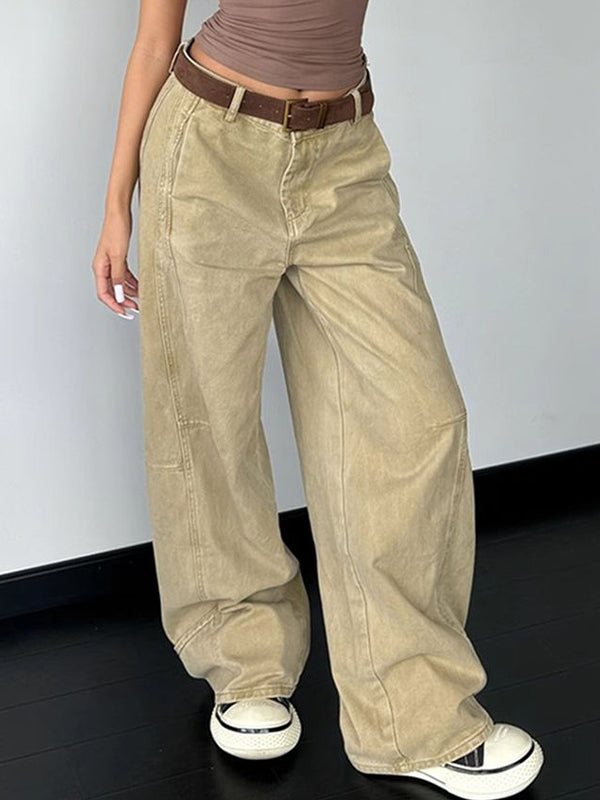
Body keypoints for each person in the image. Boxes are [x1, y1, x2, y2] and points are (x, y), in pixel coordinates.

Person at [91, 1, 544, 797]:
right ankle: (245, 664)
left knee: (415, 422)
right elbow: (155, 41)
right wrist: (115, 206)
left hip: (344, 154)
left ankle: (413, 717)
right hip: (209, 149)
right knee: (208, 423)